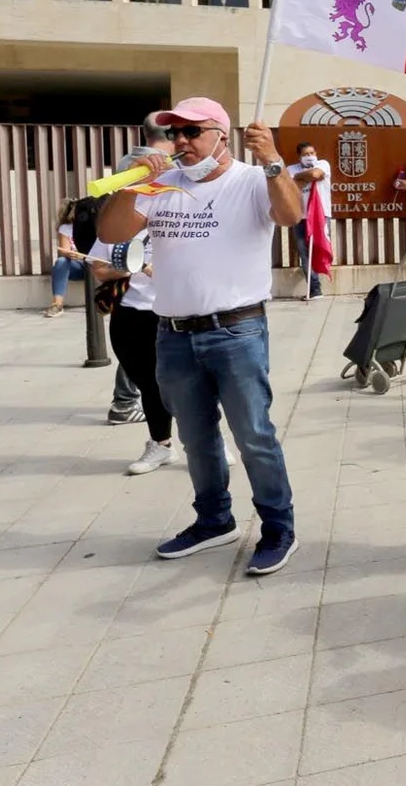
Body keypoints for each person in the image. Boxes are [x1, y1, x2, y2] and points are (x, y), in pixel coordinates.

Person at [95, 97, 304, 576]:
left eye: (193, 131)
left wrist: (273, 159)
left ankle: (278, 527)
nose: (182, 142)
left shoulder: (252, 180)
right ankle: (213, 519)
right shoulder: (161, 183)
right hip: (173, 332)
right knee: (195, 435)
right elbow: (111, 232)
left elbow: (290, 215)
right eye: (175, 133)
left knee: (253, 434)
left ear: (221, 137)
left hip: (236, 330)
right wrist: (136, 186)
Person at [87, 159, 173, 475]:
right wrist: (129, 269)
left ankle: (211, 439)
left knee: (194, 383)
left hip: (178, 311)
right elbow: (98, 266)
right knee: (148, 382)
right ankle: (160, 444)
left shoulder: (182, 208)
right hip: (133, 311)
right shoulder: (123, 214)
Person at [106, 118, 176, 425]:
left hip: (161, 294)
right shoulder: (143, 165)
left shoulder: (133, 160)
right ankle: (125, 402)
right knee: (148, 364)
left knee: (156, 368)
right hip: (139, 289)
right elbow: (115, 237)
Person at [287, 142, 332, 299]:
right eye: (305, 154)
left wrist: (301, 176)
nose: (310, 156)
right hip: (300, 216)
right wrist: (302, 176)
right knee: (305, 254)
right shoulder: (291, 169)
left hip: (320, 215)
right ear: (299, 156)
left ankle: (320, 279)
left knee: (319, 248)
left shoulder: (323, 164)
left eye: (312, 153)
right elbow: (292, 186)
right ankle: (314, 290)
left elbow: (315, 175)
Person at [46, 200, 88, 317]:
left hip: (94, 265)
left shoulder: (92, 226)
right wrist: (70, 254)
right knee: (61, 262)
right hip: (78, 266)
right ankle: (57, 304)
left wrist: (83, 256)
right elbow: (65, 249)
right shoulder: (65, 228)